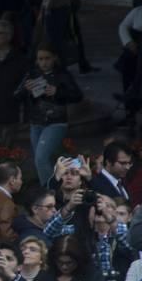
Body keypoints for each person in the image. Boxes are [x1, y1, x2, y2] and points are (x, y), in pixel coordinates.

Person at [20, 44, 83, 184]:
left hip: (55, 122)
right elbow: (16, 95)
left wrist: (57, 92)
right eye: (40, 59)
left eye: (47, 58)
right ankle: (55, 186)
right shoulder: (33, 73)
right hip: (36, 122)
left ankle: (49, 192)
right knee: (41, 159)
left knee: (40, 158)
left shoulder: (62, 74)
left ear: (54, 58)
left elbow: (77, 96)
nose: (44, 62)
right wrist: (27, 90)